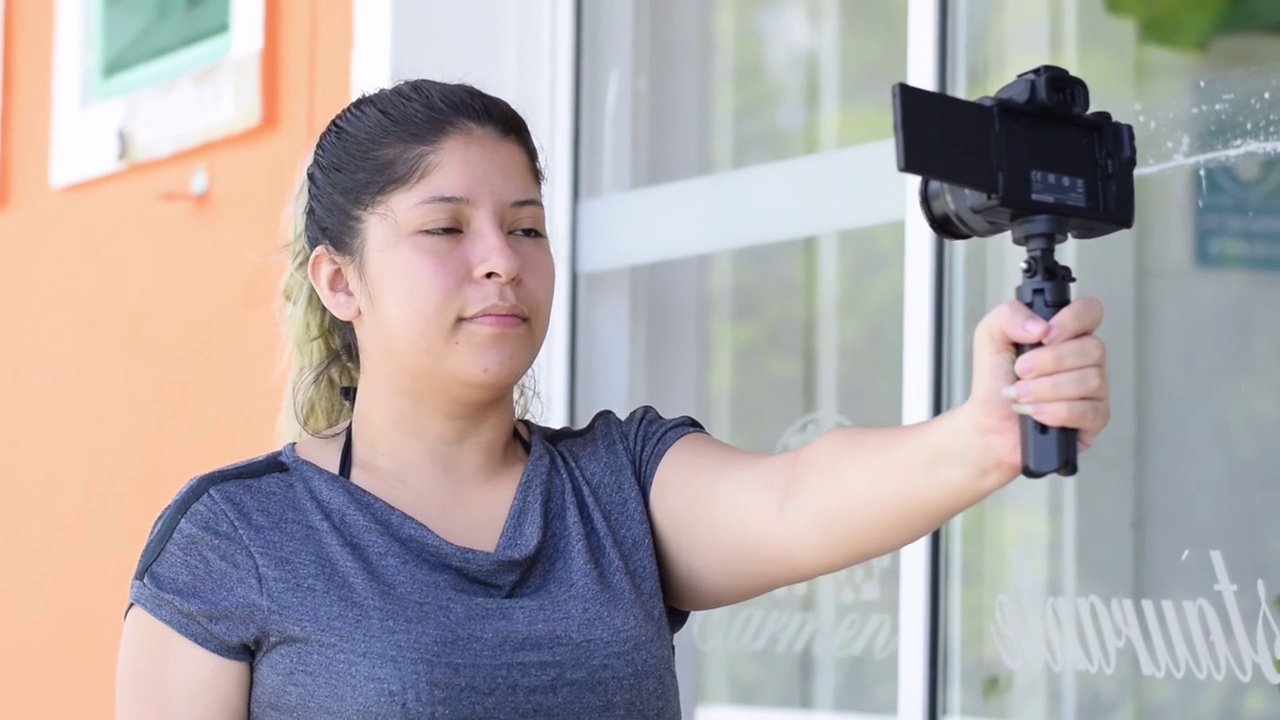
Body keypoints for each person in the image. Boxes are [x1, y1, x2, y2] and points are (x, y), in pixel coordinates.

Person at [114, 78, 1110, 719]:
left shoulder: (615, 487)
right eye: (445, 229)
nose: (501, 263)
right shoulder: (234, 539)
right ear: (340, 281)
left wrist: (982, 433)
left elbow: (794, 496)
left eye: (526, 227)